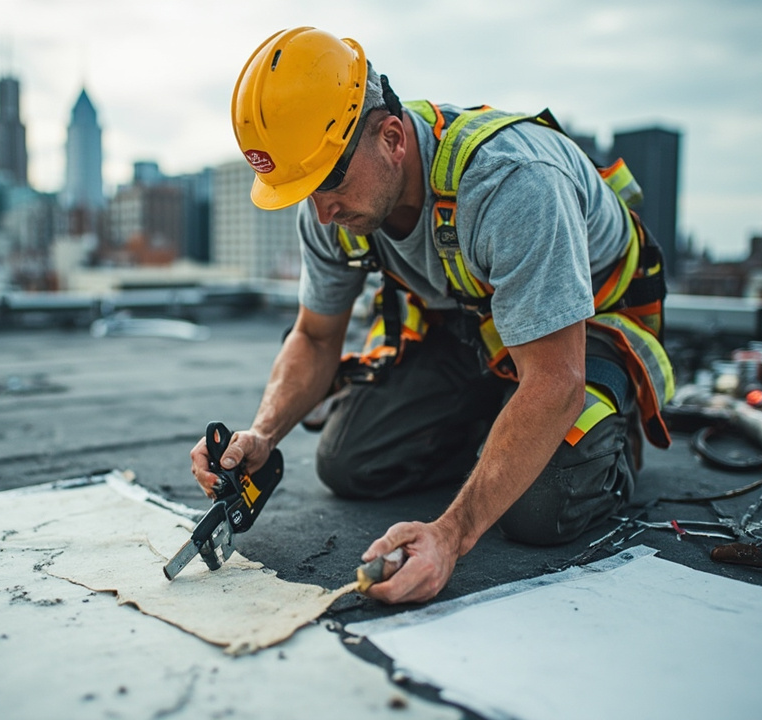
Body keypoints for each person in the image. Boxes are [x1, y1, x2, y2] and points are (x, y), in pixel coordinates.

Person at [190, 27, 674, 604]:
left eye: (329, 183)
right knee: (349, 463)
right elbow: (316, 338)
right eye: (302, 192)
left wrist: (451, 534)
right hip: (474, 327)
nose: (321, 214)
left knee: (541, 509)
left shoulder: (510, 185)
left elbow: (554, 380)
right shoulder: (332, 206)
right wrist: (262, 433)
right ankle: (501, 434)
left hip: (579, 333)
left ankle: (605, 443)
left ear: (391, 137)